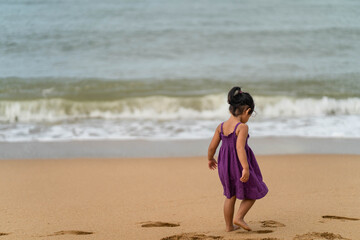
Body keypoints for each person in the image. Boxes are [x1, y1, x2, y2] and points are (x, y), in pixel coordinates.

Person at [207, 86, 268, 232]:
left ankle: (229, 227)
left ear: (231, 109)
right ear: (247, 111)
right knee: (255, 190)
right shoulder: (242, 127)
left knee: (230, 195)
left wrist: (210, 159)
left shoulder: (221, 127)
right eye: (250, 114)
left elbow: (211, 147)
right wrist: (246, 168)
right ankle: (239, 217)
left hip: (223, 165)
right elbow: (240, 148)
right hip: (238, 165)